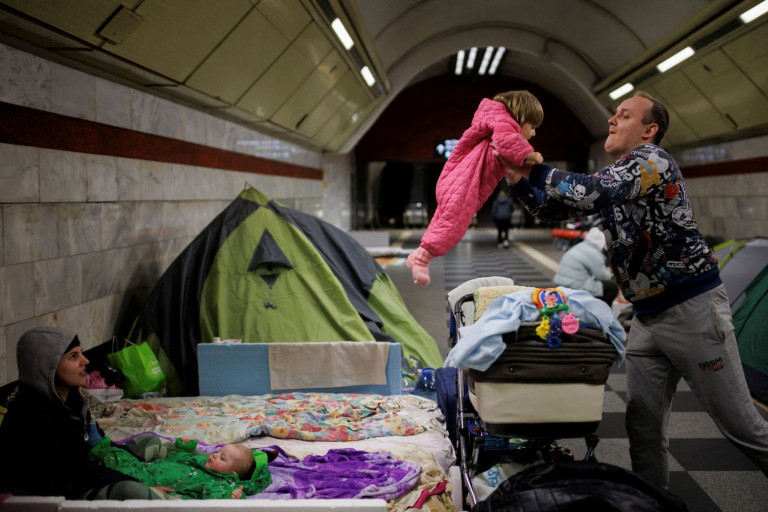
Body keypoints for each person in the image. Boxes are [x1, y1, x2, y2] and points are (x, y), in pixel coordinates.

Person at [496, 90, 768, 489]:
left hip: (692, 310)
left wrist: (533, 165)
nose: (611, 120)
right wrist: (516, 179)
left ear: (648, 130)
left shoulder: (651, 161)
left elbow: (589, 191)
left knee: (742, 427)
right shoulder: (617, 176)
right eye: (613, 115)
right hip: (646, 318)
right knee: (642, 430)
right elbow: (552, 208)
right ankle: (652, 502)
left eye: (623, 116)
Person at [0, 326, 167, 500]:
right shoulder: (33, 413)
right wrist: (142, 483)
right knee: (134, 492)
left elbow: (99, 444)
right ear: (47, 366)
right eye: (74, 356)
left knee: (150, 442)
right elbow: (78, 469)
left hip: (80, 474)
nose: (85, 361)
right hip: (54, 494)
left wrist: (140, 464)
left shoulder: (73, 399)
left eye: (81, 353)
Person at [406, 90, 544, 286]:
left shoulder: (497, 124)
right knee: (454, 225)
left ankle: (419, 255)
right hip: (464, 184)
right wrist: (531, 155)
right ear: (520, 117)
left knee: (443, 222)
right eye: (532, 126)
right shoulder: (506, 126)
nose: (533, 133)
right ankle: (422, 260)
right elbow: (507, 144)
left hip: (459, 182)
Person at [90, 433, 271, 499]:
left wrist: (230, 497)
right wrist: (185, 447)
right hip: (152, 468)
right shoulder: (203, 462)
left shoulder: (220, 484)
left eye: (222, 458)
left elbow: (213, 498)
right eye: (218, 452)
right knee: (126, 456)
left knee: (119, 464)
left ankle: (95, 447)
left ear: (232, 473)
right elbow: (181, 457)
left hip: (151, 481)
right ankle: (98, 446)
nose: (214, 455)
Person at [553, 226, 619, 306]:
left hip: (560, 283)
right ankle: (602, 310)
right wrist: (609, 272)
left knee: (598, 284)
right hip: (575, 286)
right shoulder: (594, 253)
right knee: (612, 287)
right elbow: (602, 276)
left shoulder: (580, 246)